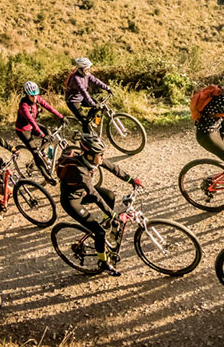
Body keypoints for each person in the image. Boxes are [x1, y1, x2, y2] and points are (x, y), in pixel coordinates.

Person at [56, 133, 142, 276]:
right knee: (99, 232)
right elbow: (95, 196)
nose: (102, 157)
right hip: (72, 201)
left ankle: (107, 222)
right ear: (90, 156)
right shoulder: (80, 171)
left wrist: (131, 180)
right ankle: (103, 263)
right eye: (100, 155)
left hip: (83, 192)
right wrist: (114, 215)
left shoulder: (93, 160)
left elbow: (113, 168)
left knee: (110, 195)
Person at [15, 81, 64, 184]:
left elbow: (48, 107)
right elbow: (30, 120)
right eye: (32, 96)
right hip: (23, 130)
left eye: (36, 95)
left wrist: (61, 116)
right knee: (35, 153)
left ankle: (43, 152)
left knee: (48, 133)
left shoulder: (37, 98)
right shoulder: (23, 105)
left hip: (32, 126)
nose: (34, 98)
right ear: (27, 94)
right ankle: (47, 177)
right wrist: (41, 135)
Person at [65, 57, 111, 134]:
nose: (88, 71)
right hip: (73, 101)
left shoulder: (86, 74)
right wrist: (91, 103)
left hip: (81, 98)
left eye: (89, 69)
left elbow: (96, 81)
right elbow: (83, 91)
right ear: (80, 69)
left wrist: (107, 88)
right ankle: (87, 137)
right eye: (86, 69)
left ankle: (95, 123)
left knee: (98, 107)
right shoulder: (76, 78)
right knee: (84, 120)